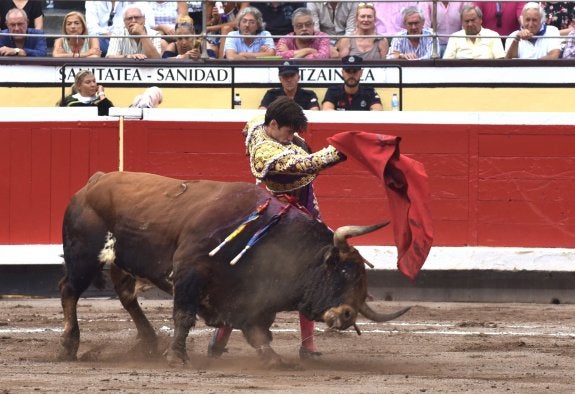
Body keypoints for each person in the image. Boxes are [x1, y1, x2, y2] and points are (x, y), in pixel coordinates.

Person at [208, 96, 347, 360]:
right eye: (287, 132)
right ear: (273, 124)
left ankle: (308, 346)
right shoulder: (265, 149)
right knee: (247, 281)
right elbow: (303, 164)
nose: (290, 137)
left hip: (303, 212)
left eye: (294, 132)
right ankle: (220, 336)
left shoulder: (266, 126)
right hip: (269, 220)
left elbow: (253, 121)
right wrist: (338, 152)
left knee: (311, 272)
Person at [85, 1, 156, 57]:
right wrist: (111, 34)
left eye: (136, 18)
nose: (134, 20)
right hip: (103, 38)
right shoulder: (91, 2)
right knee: (94, 38)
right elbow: (92, 28)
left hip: (123, 34)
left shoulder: (130, 3)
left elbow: (127, 22)